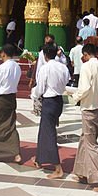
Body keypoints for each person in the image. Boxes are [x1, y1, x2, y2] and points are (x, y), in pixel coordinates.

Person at [68, 41, 98, 192]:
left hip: (88, 108)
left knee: (91, 143)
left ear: (86, 55)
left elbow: (84, 88)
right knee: (85, 138)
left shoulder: (87, 67)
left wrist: (75, 97)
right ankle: (81, 172)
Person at [32, 42, 70, 180]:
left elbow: (40, 88)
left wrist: (34, 95)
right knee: (44, 130)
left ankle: (58, 168)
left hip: (49, 101)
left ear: (45, 55)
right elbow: (66, 81)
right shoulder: (63, 67)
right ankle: (39, 159)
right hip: (59, 101)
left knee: (49, 133)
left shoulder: (45, 68)